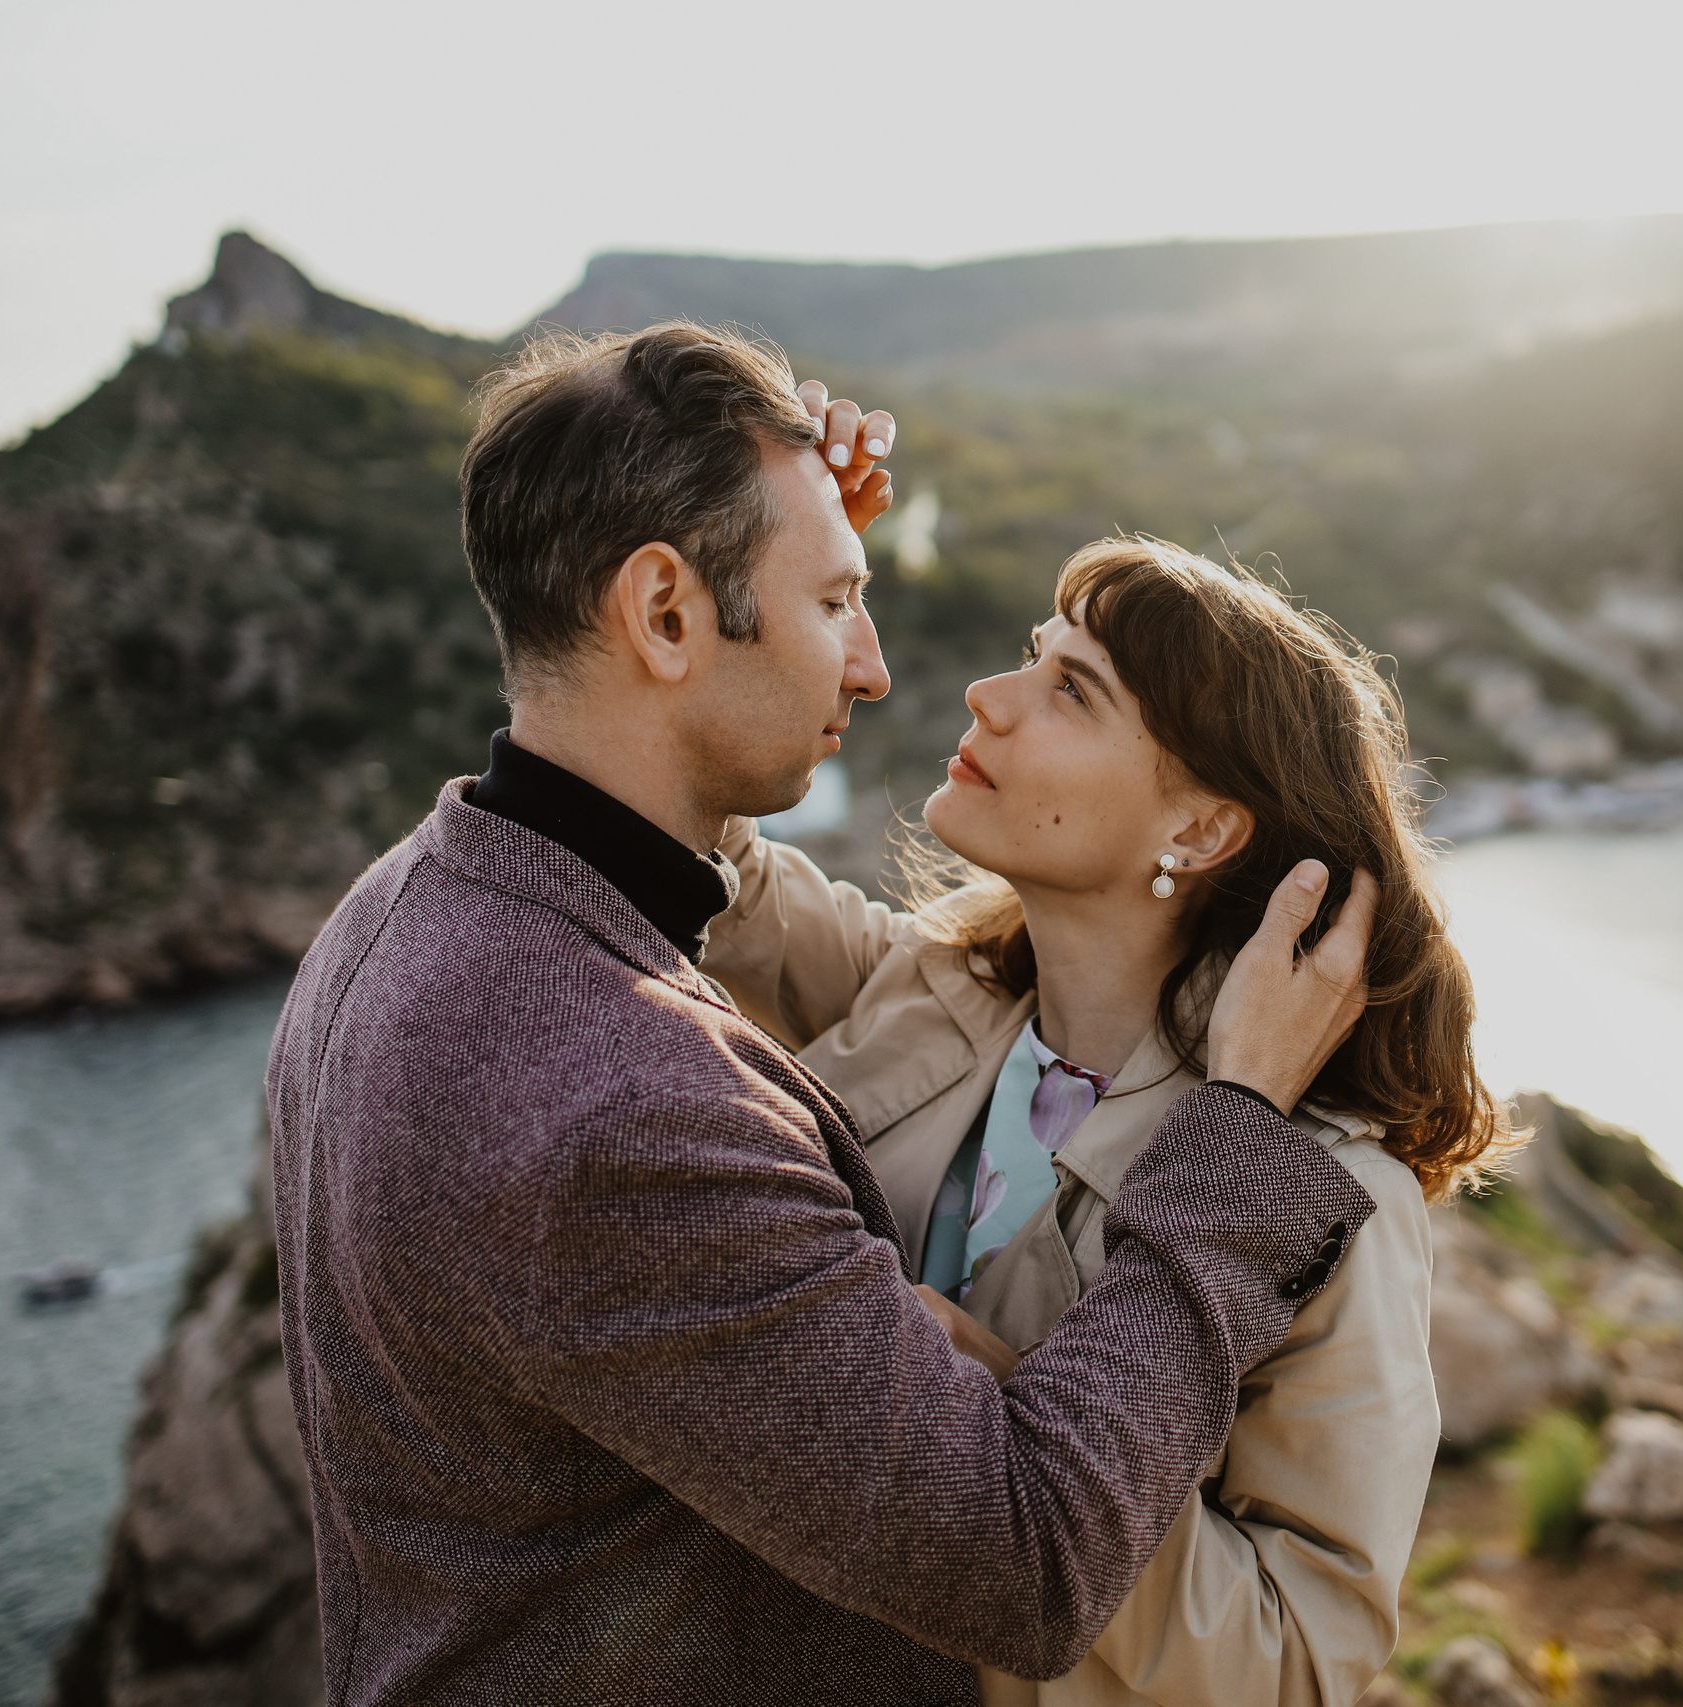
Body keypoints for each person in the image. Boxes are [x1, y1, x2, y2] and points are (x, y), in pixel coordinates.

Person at [265, 322, 1385, 1706]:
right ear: (667, 613)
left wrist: (783, 556)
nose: (880, 670)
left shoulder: (397, 911)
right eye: (838, 603)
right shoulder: (625, 1117)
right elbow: (1023, 1559)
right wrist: (1223, 1151)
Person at [706, 537, 1507, 1704]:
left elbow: (1300, 1657)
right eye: (1034, 655)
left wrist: (1015, 1440)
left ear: (1199, 832)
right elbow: (691, 836)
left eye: (1070, 690)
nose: (989, 695)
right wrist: (770, 536)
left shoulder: (1328, 1203)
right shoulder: (926, 988)